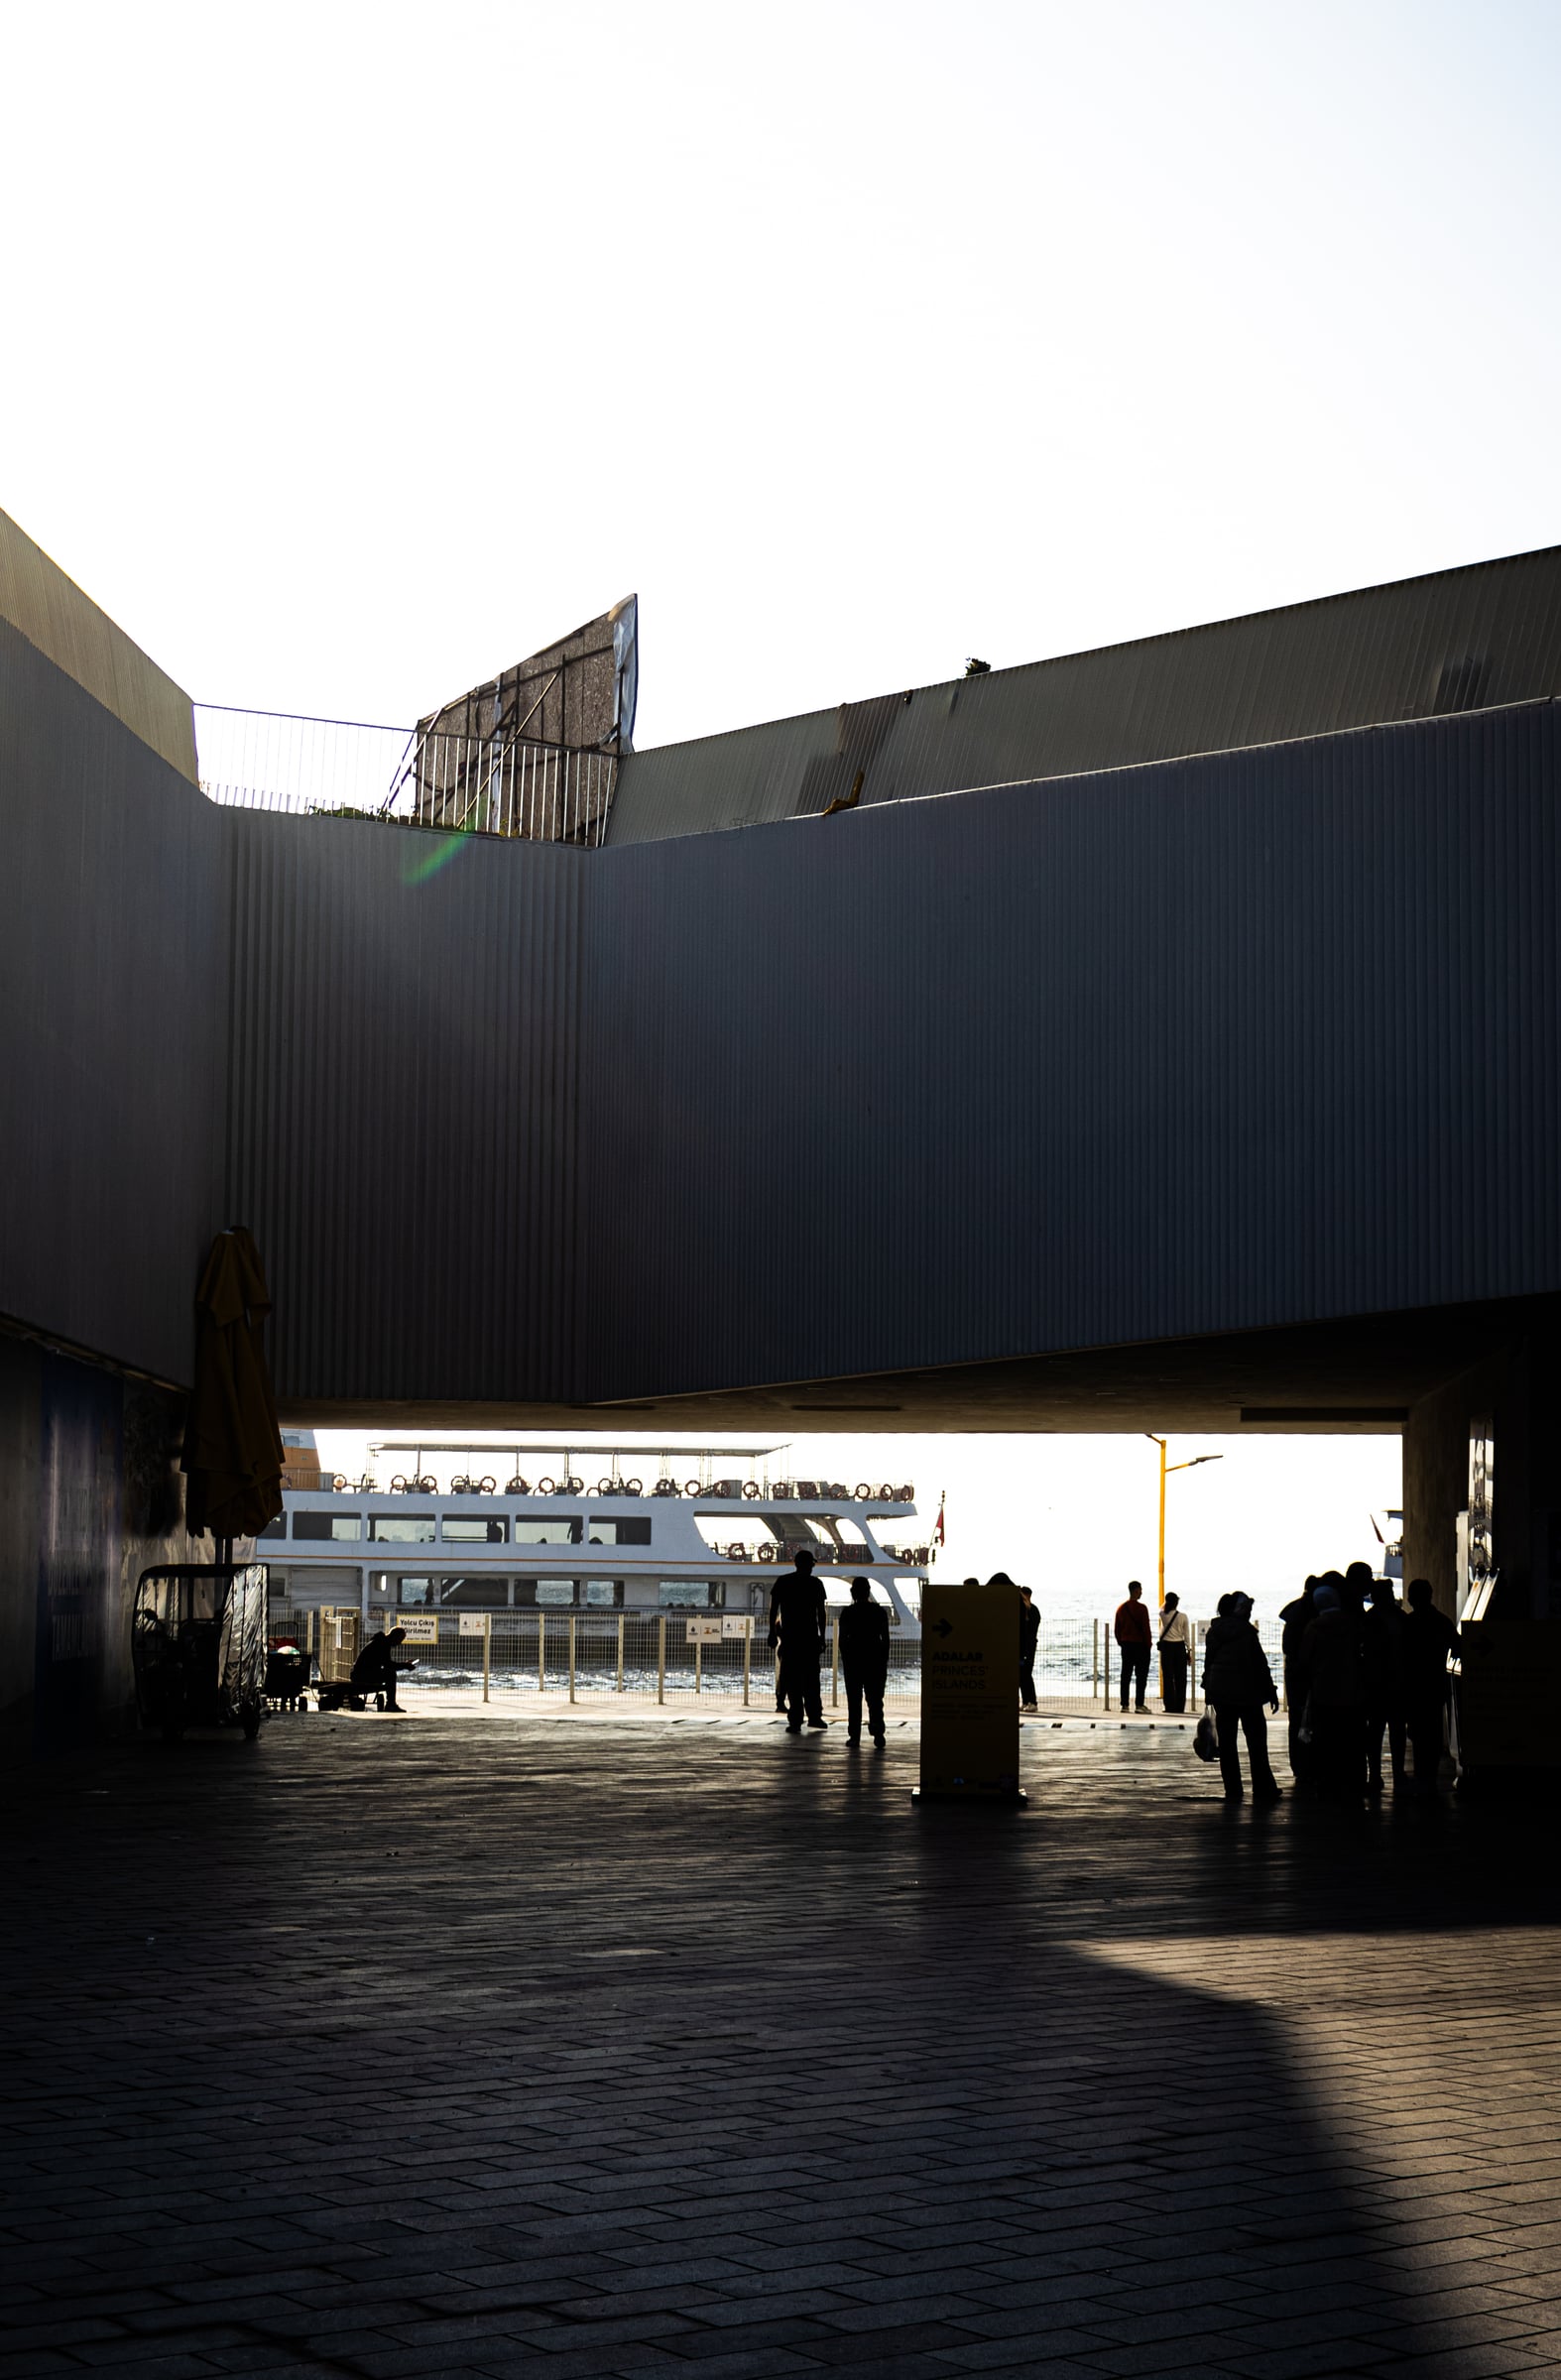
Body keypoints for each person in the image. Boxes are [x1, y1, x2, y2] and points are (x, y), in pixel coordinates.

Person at [1200, 1592, 1281, 1800]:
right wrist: (1271, 1691)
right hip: (1248, 1693)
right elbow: (1260, 1665)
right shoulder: (1247, 1632)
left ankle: (1233, 1789)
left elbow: (1208, 1663)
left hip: (1221, 1694)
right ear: (1242, 1611)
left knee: (1227, 1743)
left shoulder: (1214, 1631)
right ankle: (1263, 1787)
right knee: (1256, 1741)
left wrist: (1209, 1689)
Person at [1293, 1580, 1365, 1799]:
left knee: (1325, 1738)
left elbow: (1304, 1660)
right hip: (1352, 1689)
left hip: (1323, 1690)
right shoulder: (1353, 1624)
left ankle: (1326, 1781)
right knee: (1351, 1738)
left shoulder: (1314, 1628)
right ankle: (1353, 1781)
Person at [1402, 1578, 1459, 1797]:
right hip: (1436, 1685)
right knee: (1433, 1732)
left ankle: (1421, 1776)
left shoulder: (1407, 1623)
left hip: (1414, 1686)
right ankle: (1430, 1778)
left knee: (1417, 1732)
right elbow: (1457, 1648)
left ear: (1411, 1598)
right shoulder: (1442, 1622)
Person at [768, 1549, 828, 1731]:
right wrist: (822, 1636)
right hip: (809, 1638)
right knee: (811, 1680)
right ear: (809, 1564)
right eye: (811, 1564)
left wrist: (772, 1632)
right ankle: (815, 1716)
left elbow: (773, 1610)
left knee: (792, 1679)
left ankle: (795, 1719)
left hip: (790, 1638)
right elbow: (821, 1612)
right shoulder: (816, 1584)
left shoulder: (783, 1582)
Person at [1361, 1577, 1407, 1794]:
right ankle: (1398, 1772)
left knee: (1375, 1731)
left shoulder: (1368, 1620)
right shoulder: (1401, 1618)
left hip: (1375, 1684)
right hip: (1397, 1683)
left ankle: (1375, 1774)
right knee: (1397, 1731)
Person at [837, 1577, 890, 1746]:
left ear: (853, 1593)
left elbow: (842, 1639)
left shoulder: (848, 1612)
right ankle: (878, 1733)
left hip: (853, 1660)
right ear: (868, 1592)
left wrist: (846, 1658)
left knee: (854, 1700)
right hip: (875, 1659)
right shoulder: (879, 1612)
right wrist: (884, 1659)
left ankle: (855, 1736)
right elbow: (886, 1639)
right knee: (875, 1700)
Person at [1279, 1576, 1319, 1784]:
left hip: (1294, 1675)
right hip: (1307, 1676)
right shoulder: (1312, 1614)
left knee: (1296, 1721)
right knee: (1310, 1720)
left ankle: (1300, 1765)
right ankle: (1309, 1764)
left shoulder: (1294, 1612)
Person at [350, 1623, 409, 1712]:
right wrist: (405, 1665)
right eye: (400, 1640)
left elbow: (386, 1663)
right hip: (363, 1675)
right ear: (395, 1637)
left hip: (361, 1673)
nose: (399, 1643)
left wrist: (404, 1665)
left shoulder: (380, 1642)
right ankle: (390, 1704)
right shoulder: (382, 1644)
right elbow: (388, 1664)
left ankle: (391, 1703)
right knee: (390, 1674)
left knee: (389, 1672)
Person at [1114, 1579, 1152, 1712]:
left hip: (1126, 1646)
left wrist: (1122, 1643)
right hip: (1141, 1646)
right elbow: (1146, 1629)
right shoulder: (1142, 1608)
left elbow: (1117, 1630)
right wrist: (1149, 1645)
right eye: (1140, 1590)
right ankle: (1139, 1705)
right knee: (1141, 1676)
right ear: (1136, 1591)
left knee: (1126, 1675)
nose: (1141, 1592)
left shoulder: (1121, 1608)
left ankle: (1124, 1704)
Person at [1157, 1591, 1191, 1714]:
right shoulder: (1183, 1616)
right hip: (1179, 1647)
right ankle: (1180, 1706)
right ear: (1176, 1602)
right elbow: (1186, 1635)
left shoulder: (1163, 1614)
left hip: (1167, 1647)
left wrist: (1166, 1603)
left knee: (1168, 1677)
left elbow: (1161, 1607)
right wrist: (1189, 1650)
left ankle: (1169, 1706)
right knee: (1181, 1678)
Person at [1018, 1584, 1040, 1711]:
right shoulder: (1026, 1610)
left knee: (1026, 1674)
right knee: (1021, 1675)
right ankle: (1026, 1701)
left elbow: (1030, 1631)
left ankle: (1033, 1702)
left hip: (1029, 1647)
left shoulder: (1032, 1610)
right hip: (1024, 1646)